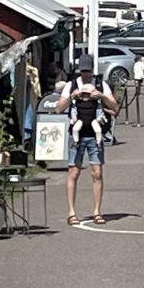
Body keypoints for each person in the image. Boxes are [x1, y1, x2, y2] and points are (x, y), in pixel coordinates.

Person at [56, 54, 118, 226]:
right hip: (77, 133)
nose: (85, 74)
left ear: (92, 70)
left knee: (97, 173)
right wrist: (72, 96)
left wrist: (101, 96)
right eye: (82, 71)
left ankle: (97, 211)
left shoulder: (100, 85)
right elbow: (58, 109)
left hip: (94, 133)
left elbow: (115, 107)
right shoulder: (71, 85)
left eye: (88, 70)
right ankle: (71, 212)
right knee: (73, 172)